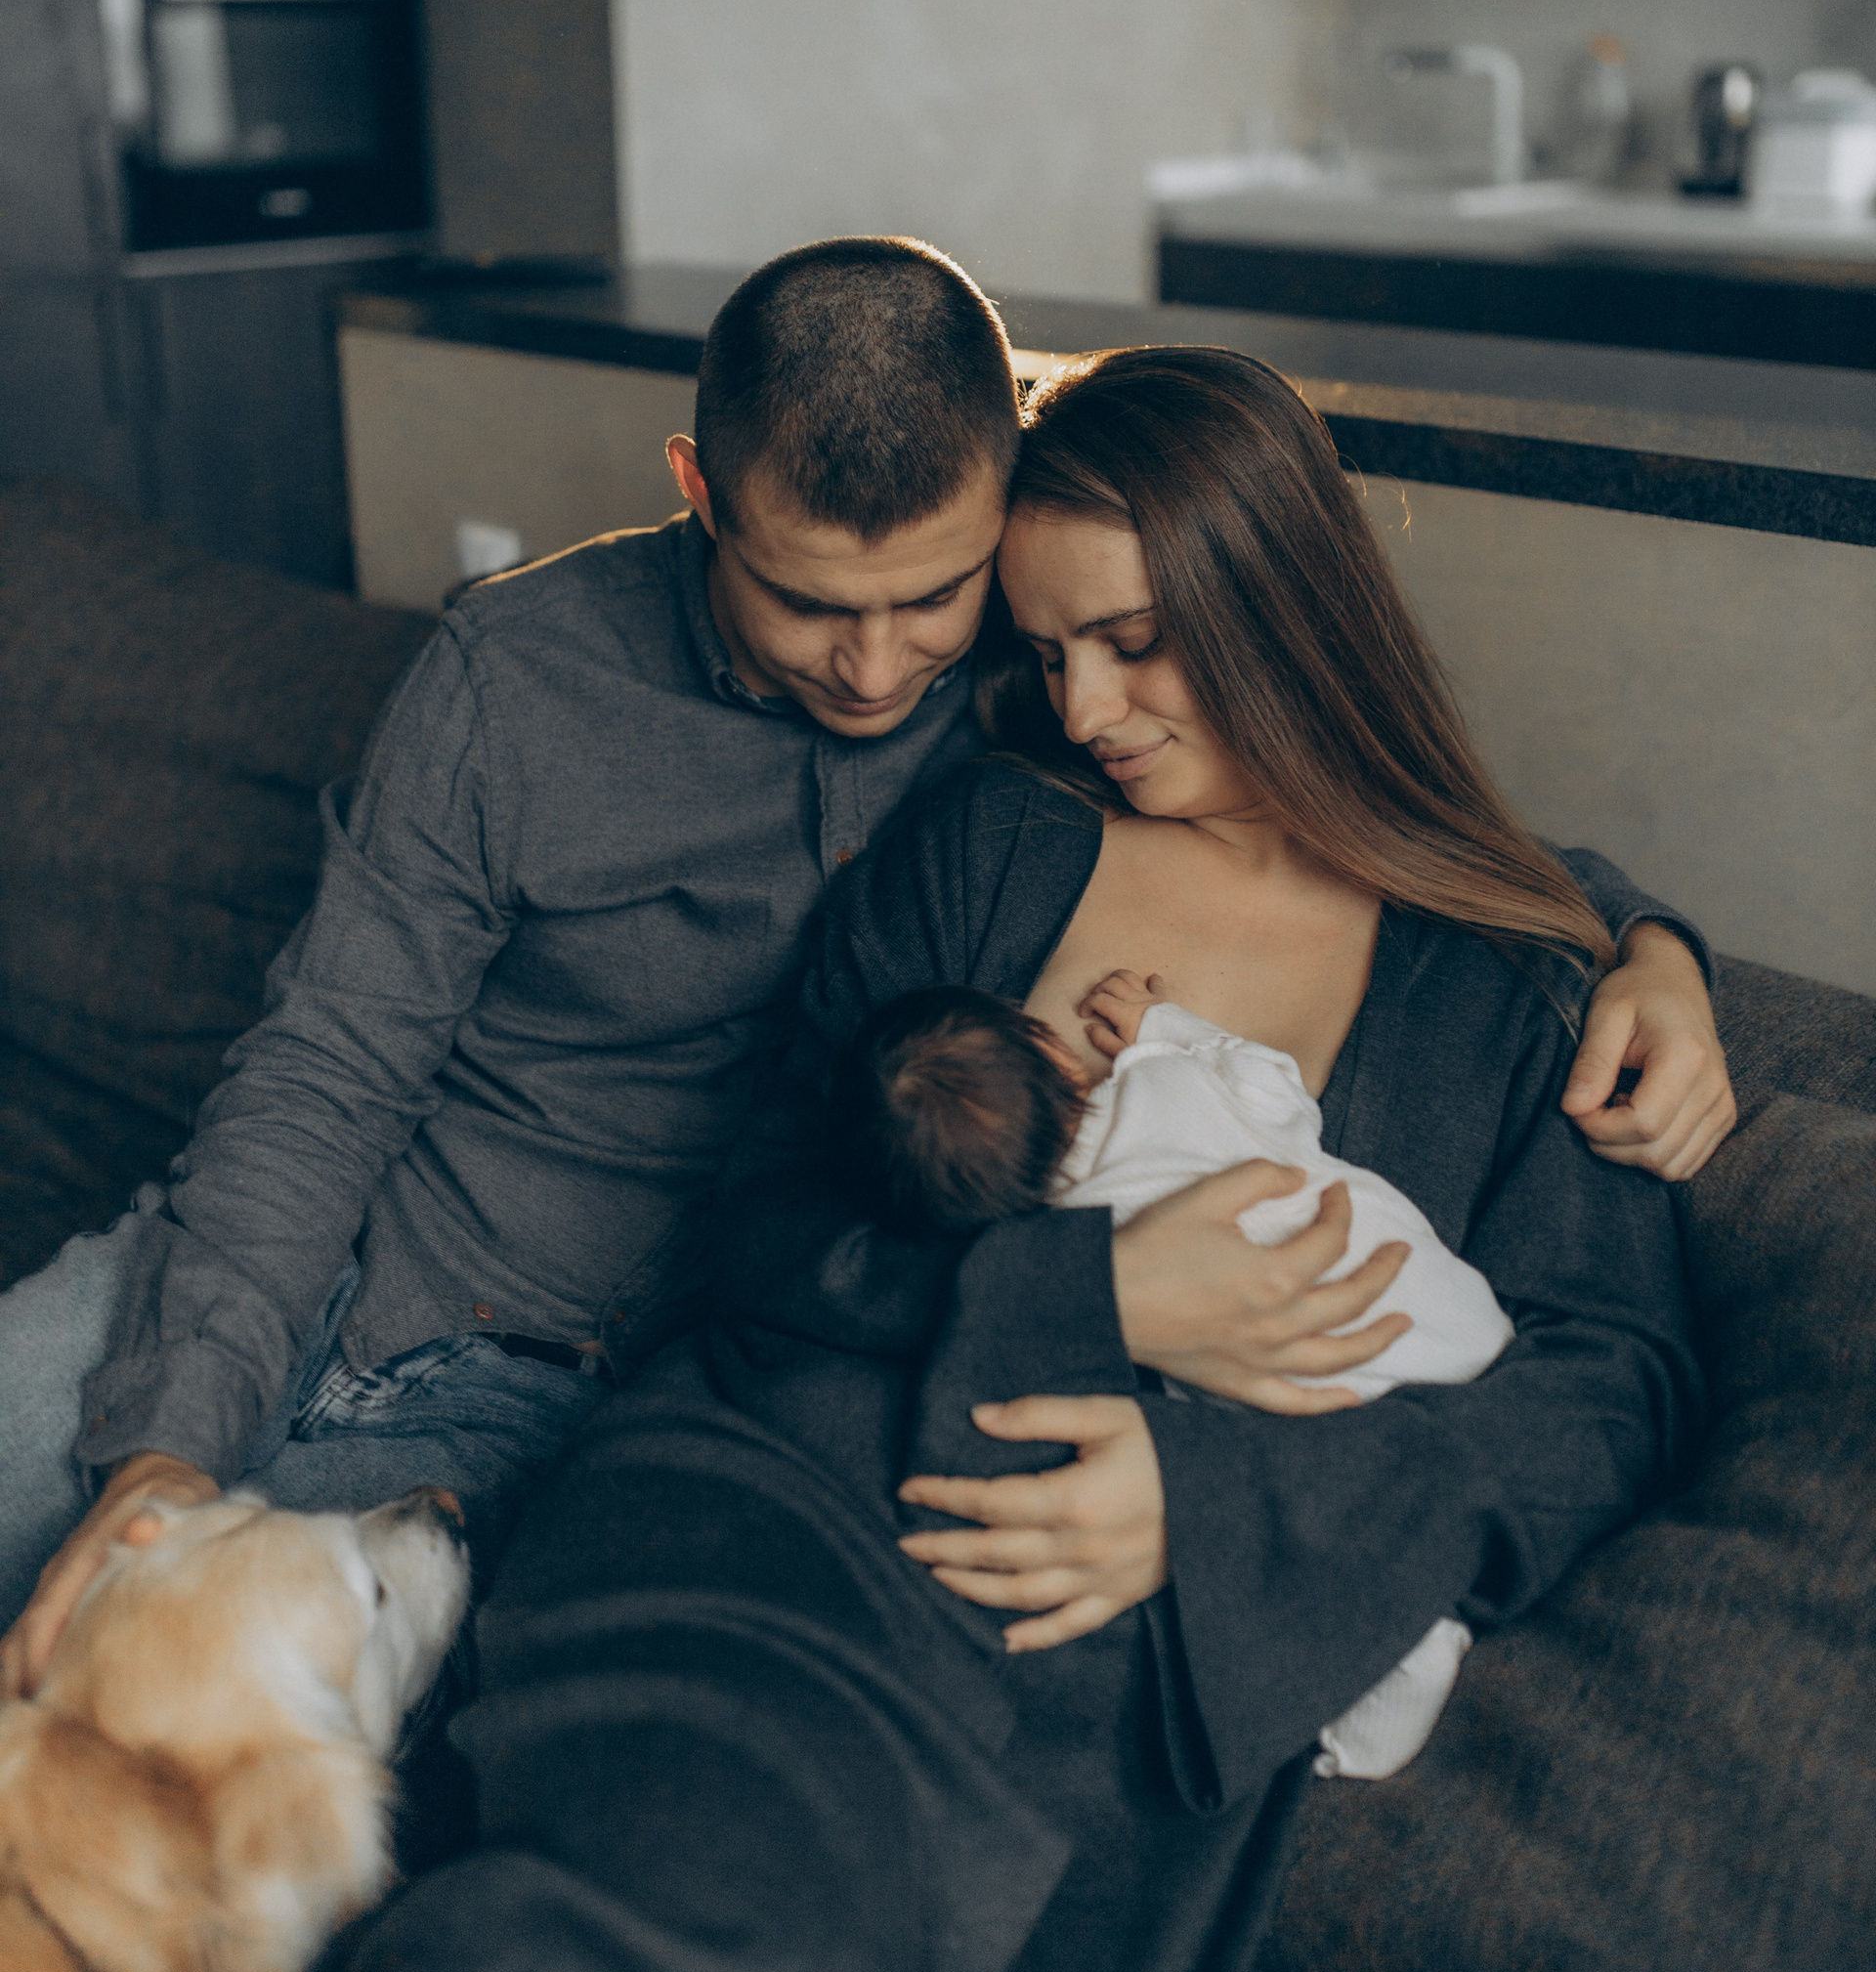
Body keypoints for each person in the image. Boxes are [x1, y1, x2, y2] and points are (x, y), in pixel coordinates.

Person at [112, 345, 1711, 1972]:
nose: (1084, 705)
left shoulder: (1513, 996)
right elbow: (760, 1221)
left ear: (1288, 603)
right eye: (1044, 652)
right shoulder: (1001, 837)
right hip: (770, 1512)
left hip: (1100, 1649)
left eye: (1132, 644)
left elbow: (1613, 1391)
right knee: (639, 1950)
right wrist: (1088, 1300)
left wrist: (1214, 1503)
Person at [0, 247, 1730, 1696]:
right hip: (300, 1260)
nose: (879, 670)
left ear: (1001, 512)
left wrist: (1633, 936)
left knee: (132, 1731)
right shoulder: (514, 677)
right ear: (699, 495)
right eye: (812, 605)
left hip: (573, 1383)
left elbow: (1328, 777)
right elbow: (325, 1074)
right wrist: (171, 1442)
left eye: (939, 599)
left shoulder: (1036, 708)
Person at [838, 965, 1511, 1777]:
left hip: (1341, 1393)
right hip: (1443, 1305)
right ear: (1053, 1054)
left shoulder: (1074, 1241)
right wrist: (1168, 1030)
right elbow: (1277, 1086)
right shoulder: (1163, 1081)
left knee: (1312, 1513)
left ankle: (1397, 1670)